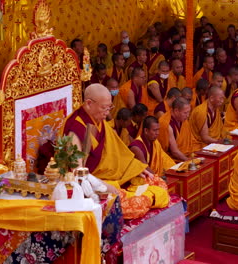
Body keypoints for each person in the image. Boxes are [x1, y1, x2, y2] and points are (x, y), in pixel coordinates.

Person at [62, 84, 170, 219]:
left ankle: (147, 197)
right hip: (94, 185)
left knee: (155, 181)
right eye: (104, 108)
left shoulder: (99, 122)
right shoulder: (76, 129)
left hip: (113, 177)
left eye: (109, 108)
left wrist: (134, 167)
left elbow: (118, 151)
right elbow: (77, 174)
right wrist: (104, 185)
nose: (107, 112)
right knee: (132, 202)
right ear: (89, 103)